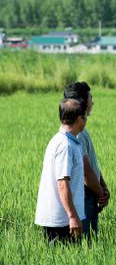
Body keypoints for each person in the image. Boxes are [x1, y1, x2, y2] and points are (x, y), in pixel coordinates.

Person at [35, 98, 87, 244]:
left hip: (62, 218)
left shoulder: (59, 140)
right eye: (85, 117)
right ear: (78, 119)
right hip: (62, 221)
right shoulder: (66, 145)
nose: (86, 121)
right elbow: (62, 183)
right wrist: (72, 216)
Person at [63, 82, 110, 238]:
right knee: (87, 240)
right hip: (85, 194)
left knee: (90, 238)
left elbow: (91, 163)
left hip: (91, 191)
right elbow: (85, 170)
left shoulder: (80, 129)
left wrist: (102, 184)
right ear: (82, 101)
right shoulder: (78, 133)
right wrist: (101, 192)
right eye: (90, 97)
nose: (93, 102)